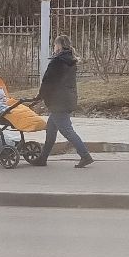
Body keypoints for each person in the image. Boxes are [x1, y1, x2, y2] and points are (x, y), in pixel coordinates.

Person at [31, 34, 93, 167]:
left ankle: (85, 155)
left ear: (58, 46)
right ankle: (43, 158)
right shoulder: (70, 60)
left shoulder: (57, 62)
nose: (54, 47)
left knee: (66, 130)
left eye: (54, 45)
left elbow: (48, 81)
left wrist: (39, 96)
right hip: (66, 98)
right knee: (51, 129)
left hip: (58, 101)